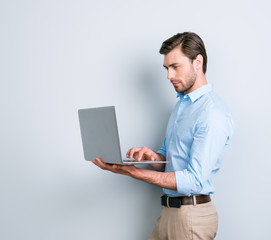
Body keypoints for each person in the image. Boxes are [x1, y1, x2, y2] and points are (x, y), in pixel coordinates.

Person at [92, 32, 234, 240]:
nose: (169, 75)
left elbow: (194, 180)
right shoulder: (181, 106)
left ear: (198, 62)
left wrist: (133, 172)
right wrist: (153, 157)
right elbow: (171, 161)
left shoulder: (211, 113)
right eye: (167, 68)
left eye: (175, 66)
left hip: (191, 219)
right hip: (169, 214)